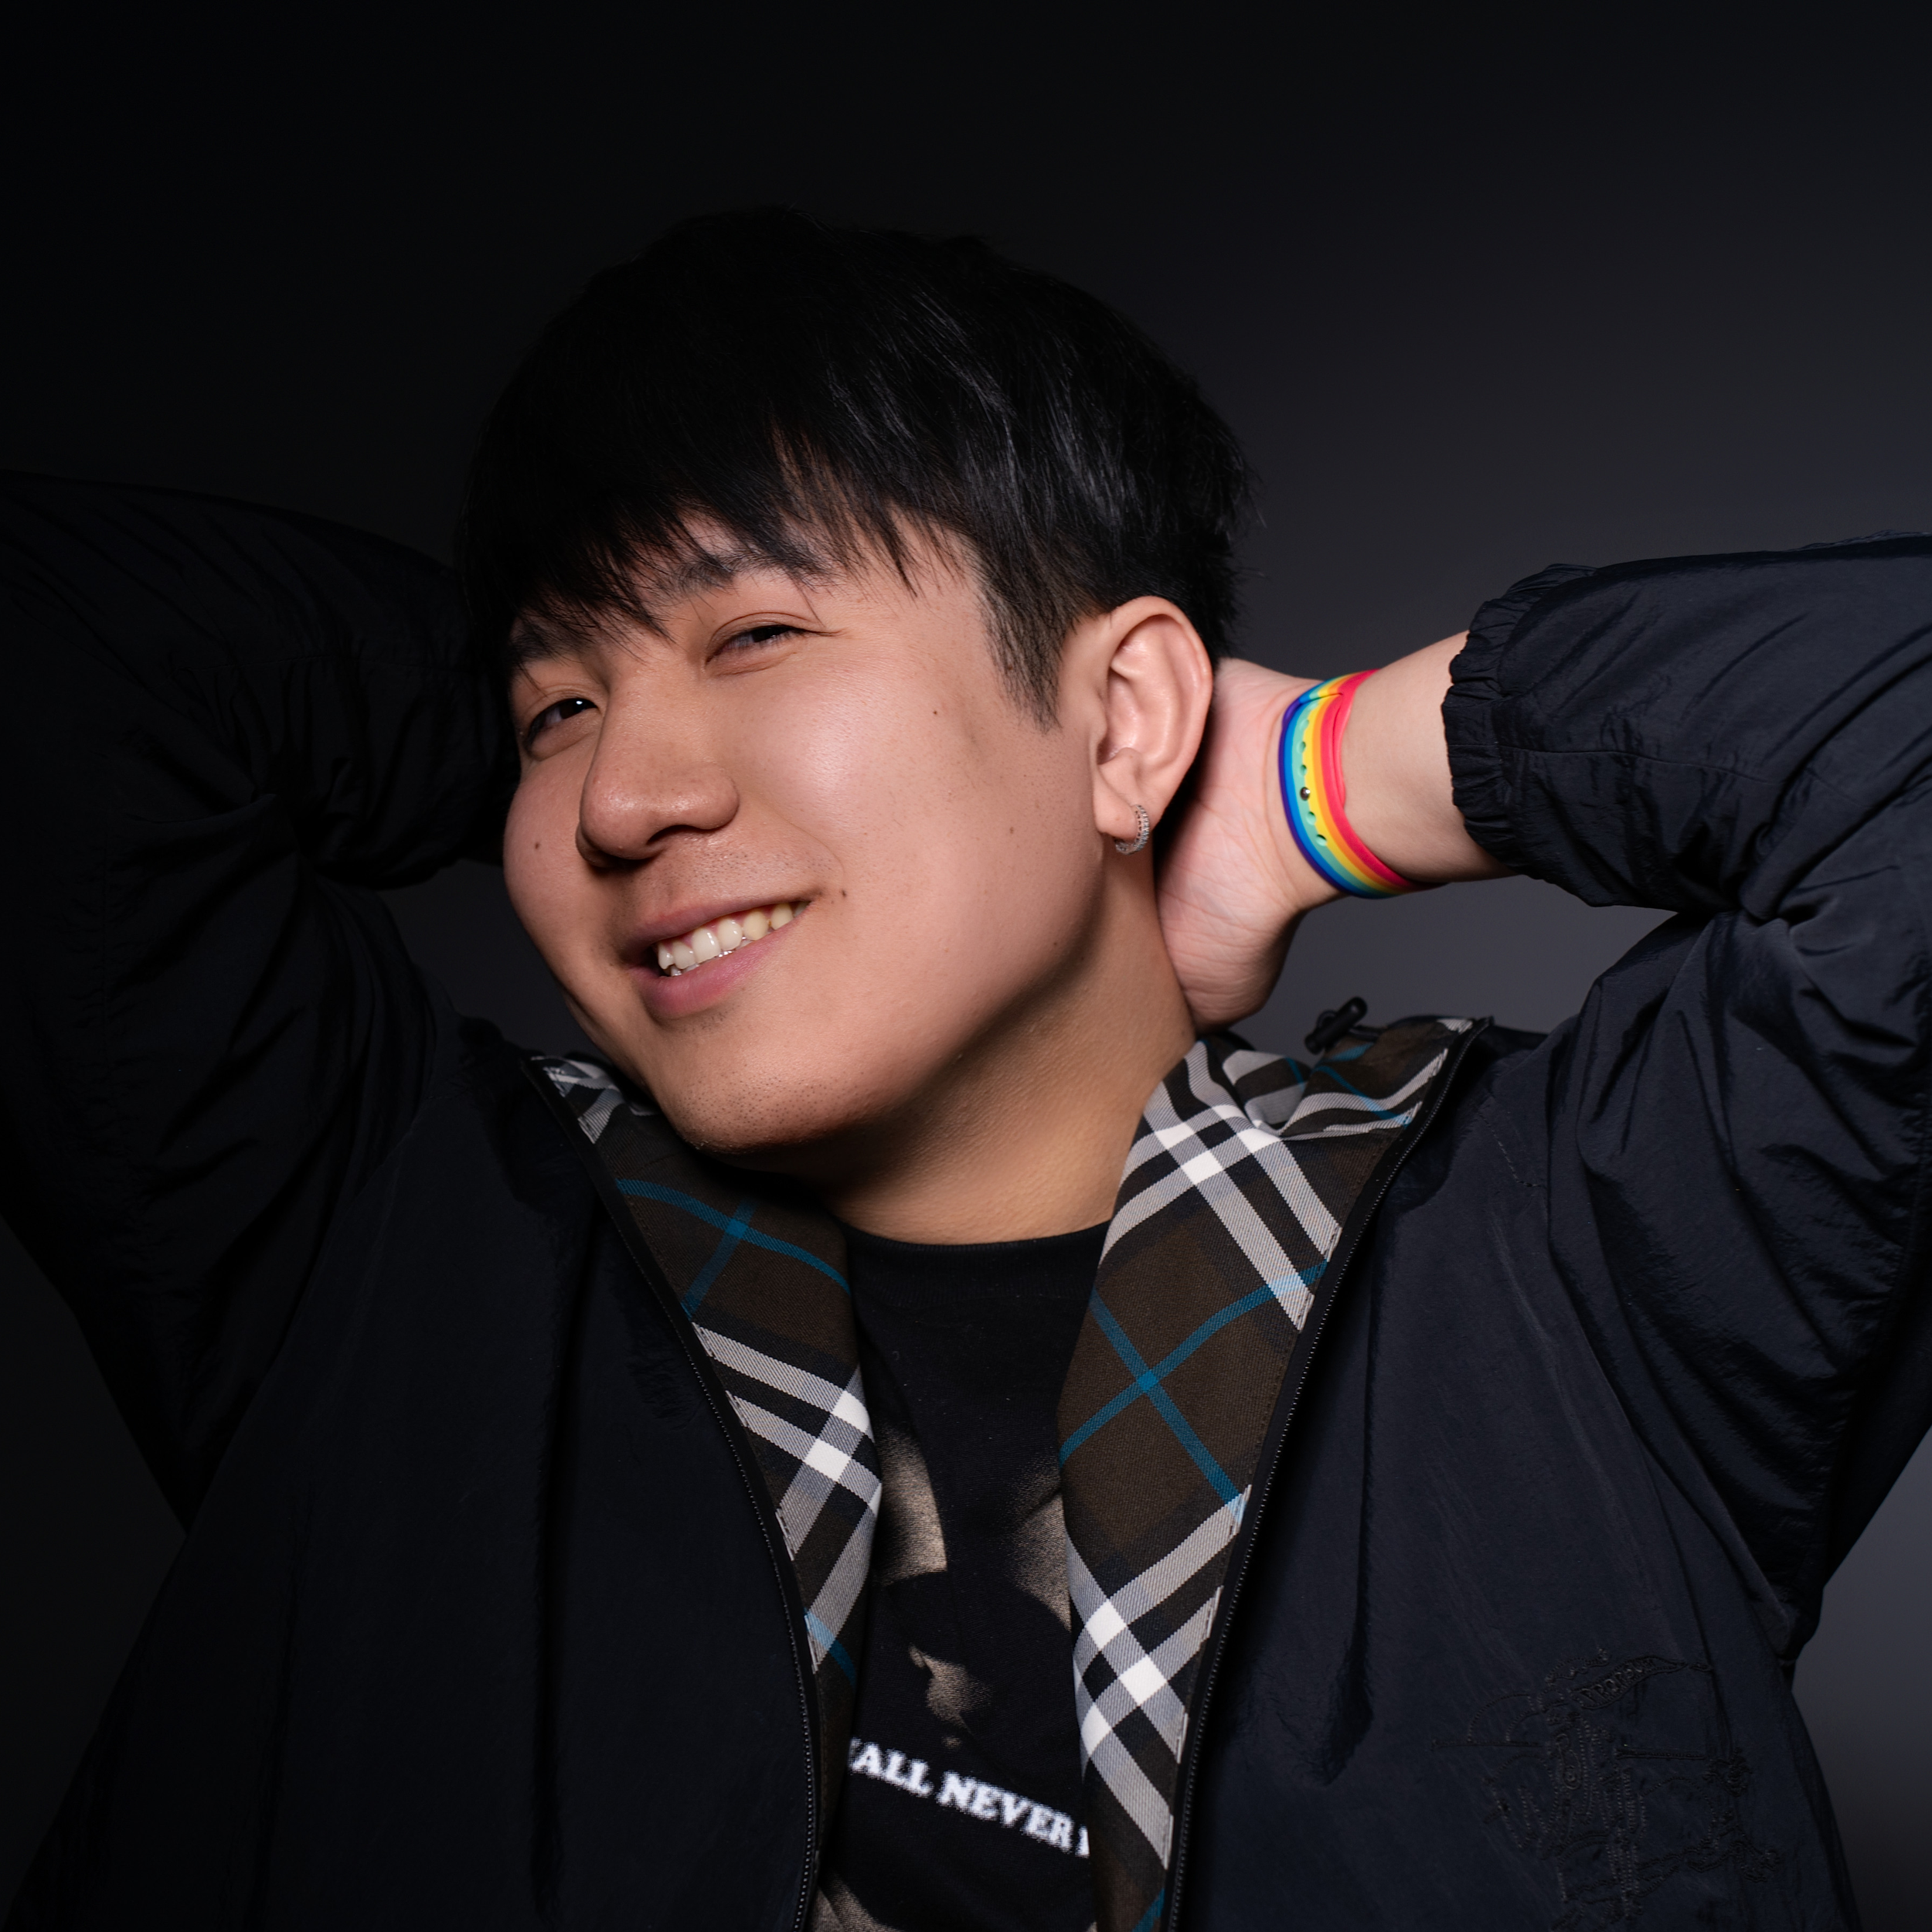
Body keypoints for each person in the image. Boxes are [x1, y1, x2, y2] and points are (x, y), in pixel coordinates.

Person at [1, 207, 1926, 1932]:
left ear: (1125, 715)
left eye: (758, 630)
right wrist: (581, 683)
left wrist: (1311, 780)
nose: (620, 796)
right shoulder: (405, 1249)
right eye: (555, 705)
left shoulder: (1561, 1262)